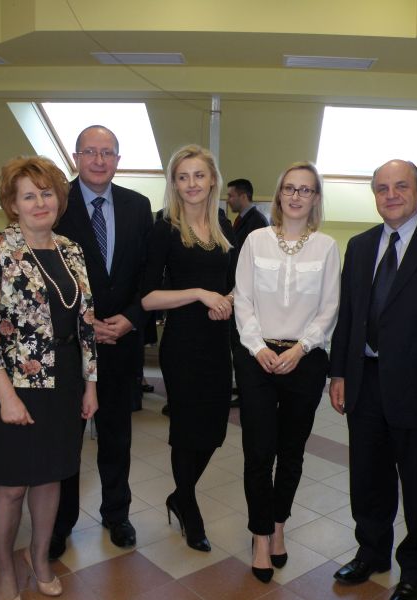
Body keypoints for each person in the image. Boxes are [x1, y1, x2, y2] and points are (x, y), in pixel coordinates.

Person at [0, 156, 98, 600]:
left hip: (65, 382)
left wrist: (91, 384)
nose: (40, 202)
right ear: (12, 204)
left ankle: (38, 558)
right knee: (12, 486)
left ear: (59, 198)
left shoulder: (71, 249)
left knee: (51, 477)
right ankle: (4, 567)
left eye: (47, 193)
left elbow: (86, 322)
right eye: (29, 195)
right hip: (15, 385)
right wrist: (6, 397)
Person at [329, 159, 417, 600]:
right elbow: (349, 315)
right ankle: (371, 552)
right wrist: (338, 372)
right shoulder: (360, 245)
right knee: (368, 476)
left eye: (401, 186)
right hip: (364, 380)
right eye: (382, 188)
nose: (391, 195)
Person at [49, 125, 153, 558]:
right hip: (70, 347)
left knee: (116, 436)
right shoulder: (57, 204)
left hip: (120, 343)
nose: (98, 160)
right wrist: (84, 323)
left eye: (107, 152)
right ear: (75, 158)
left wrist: (130, 319)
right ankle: (60, 523)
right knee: (66, 439)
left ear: (118, 160)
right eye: (89, 152)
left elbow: (148, 274)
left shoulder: (138, 206)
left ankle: (117, 514)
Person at [234, 162, 340, 583]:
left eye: (305, 190)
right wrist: (258, 347)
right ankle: (260, 535)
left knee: (291, 452)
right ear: (278, 195)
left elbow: (330, 308)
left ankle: (279, 525)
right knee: (259, 452)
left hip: (305, 359)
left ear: (315, 199)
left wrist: (300, 348)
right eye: (289, 188)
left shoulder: (326, 247)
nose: (296, 196)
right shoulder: (255, 240)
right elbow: (243, 299)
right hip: (257, 356)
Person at [141, 144, 234, 553]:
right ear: (174, 183)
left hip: (218, 341)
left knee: (214, 430)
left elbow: (238, 282)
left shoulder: (223, 225)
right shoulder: (163, 227)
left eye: (199, 175)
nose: (192, 184)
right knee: (186, 429)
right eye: (183, 177)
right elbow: (147, 297)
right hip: (182, 343)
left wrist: (227, 298)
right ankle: (189, 507)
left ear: (212, 180)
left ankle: (180, 495)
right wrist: (199, 293)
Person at [227, 178, 269, 407]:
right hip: (237, 288)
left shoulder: (257, 222)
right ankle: (242, 385)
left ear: (243, 196)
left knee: (243, 341)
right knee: (236, 340)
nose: (229, 200)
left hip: (248, 292)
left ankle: (246, 390)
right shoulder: (242, 220)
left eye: (231, 195)